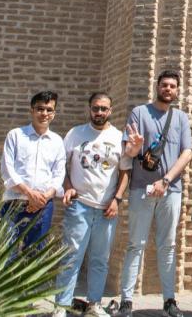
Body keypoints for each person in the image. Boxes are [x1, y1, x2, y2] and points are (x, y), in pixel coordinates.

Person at [116, 70, 192, 317]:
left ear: (177, 90)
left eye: (172, 86)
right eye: (164, 85)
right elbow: (128, 152)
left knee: (168, 245)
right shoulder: (139, 112)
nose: (168, 89)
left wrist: (166, 180)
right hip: (141, 189)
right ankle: (126, 300)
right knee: (135, 245)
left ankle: (169, 301)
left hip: (171, 190)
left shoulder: (180, 118)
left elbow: (187, 153)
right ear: (157, 86)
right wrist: (134, 147)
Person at [54, 92, 126, 317]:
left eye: (104, 108)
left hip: (106, 209)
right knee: (71, 257)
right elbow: (60, 165)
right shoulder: (75, 134)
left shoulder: (118, 137)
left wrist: (117, 200)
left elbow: (125, 172)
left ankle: (94, 304)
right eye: (95, 108)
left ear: (110, 110)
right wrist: (68, 186)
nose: (99, 112)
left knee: (100, 260)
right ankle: (61, 306)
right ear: (89, 109)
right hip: (80, 206)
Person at [0, 90, 65, 251]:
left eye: (49, 110)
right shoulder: (15, 135)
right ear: (32, 110)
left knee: (35, 254)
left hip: (43, 206)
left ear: (54, 113)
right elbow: (7, 170)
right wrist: (30, 194)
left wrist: (42, 198)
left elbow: (58, 174)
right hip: (14, 203)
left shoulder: (57, 141)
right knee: (6, 253)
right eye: (40, 109)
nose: (44, 113)